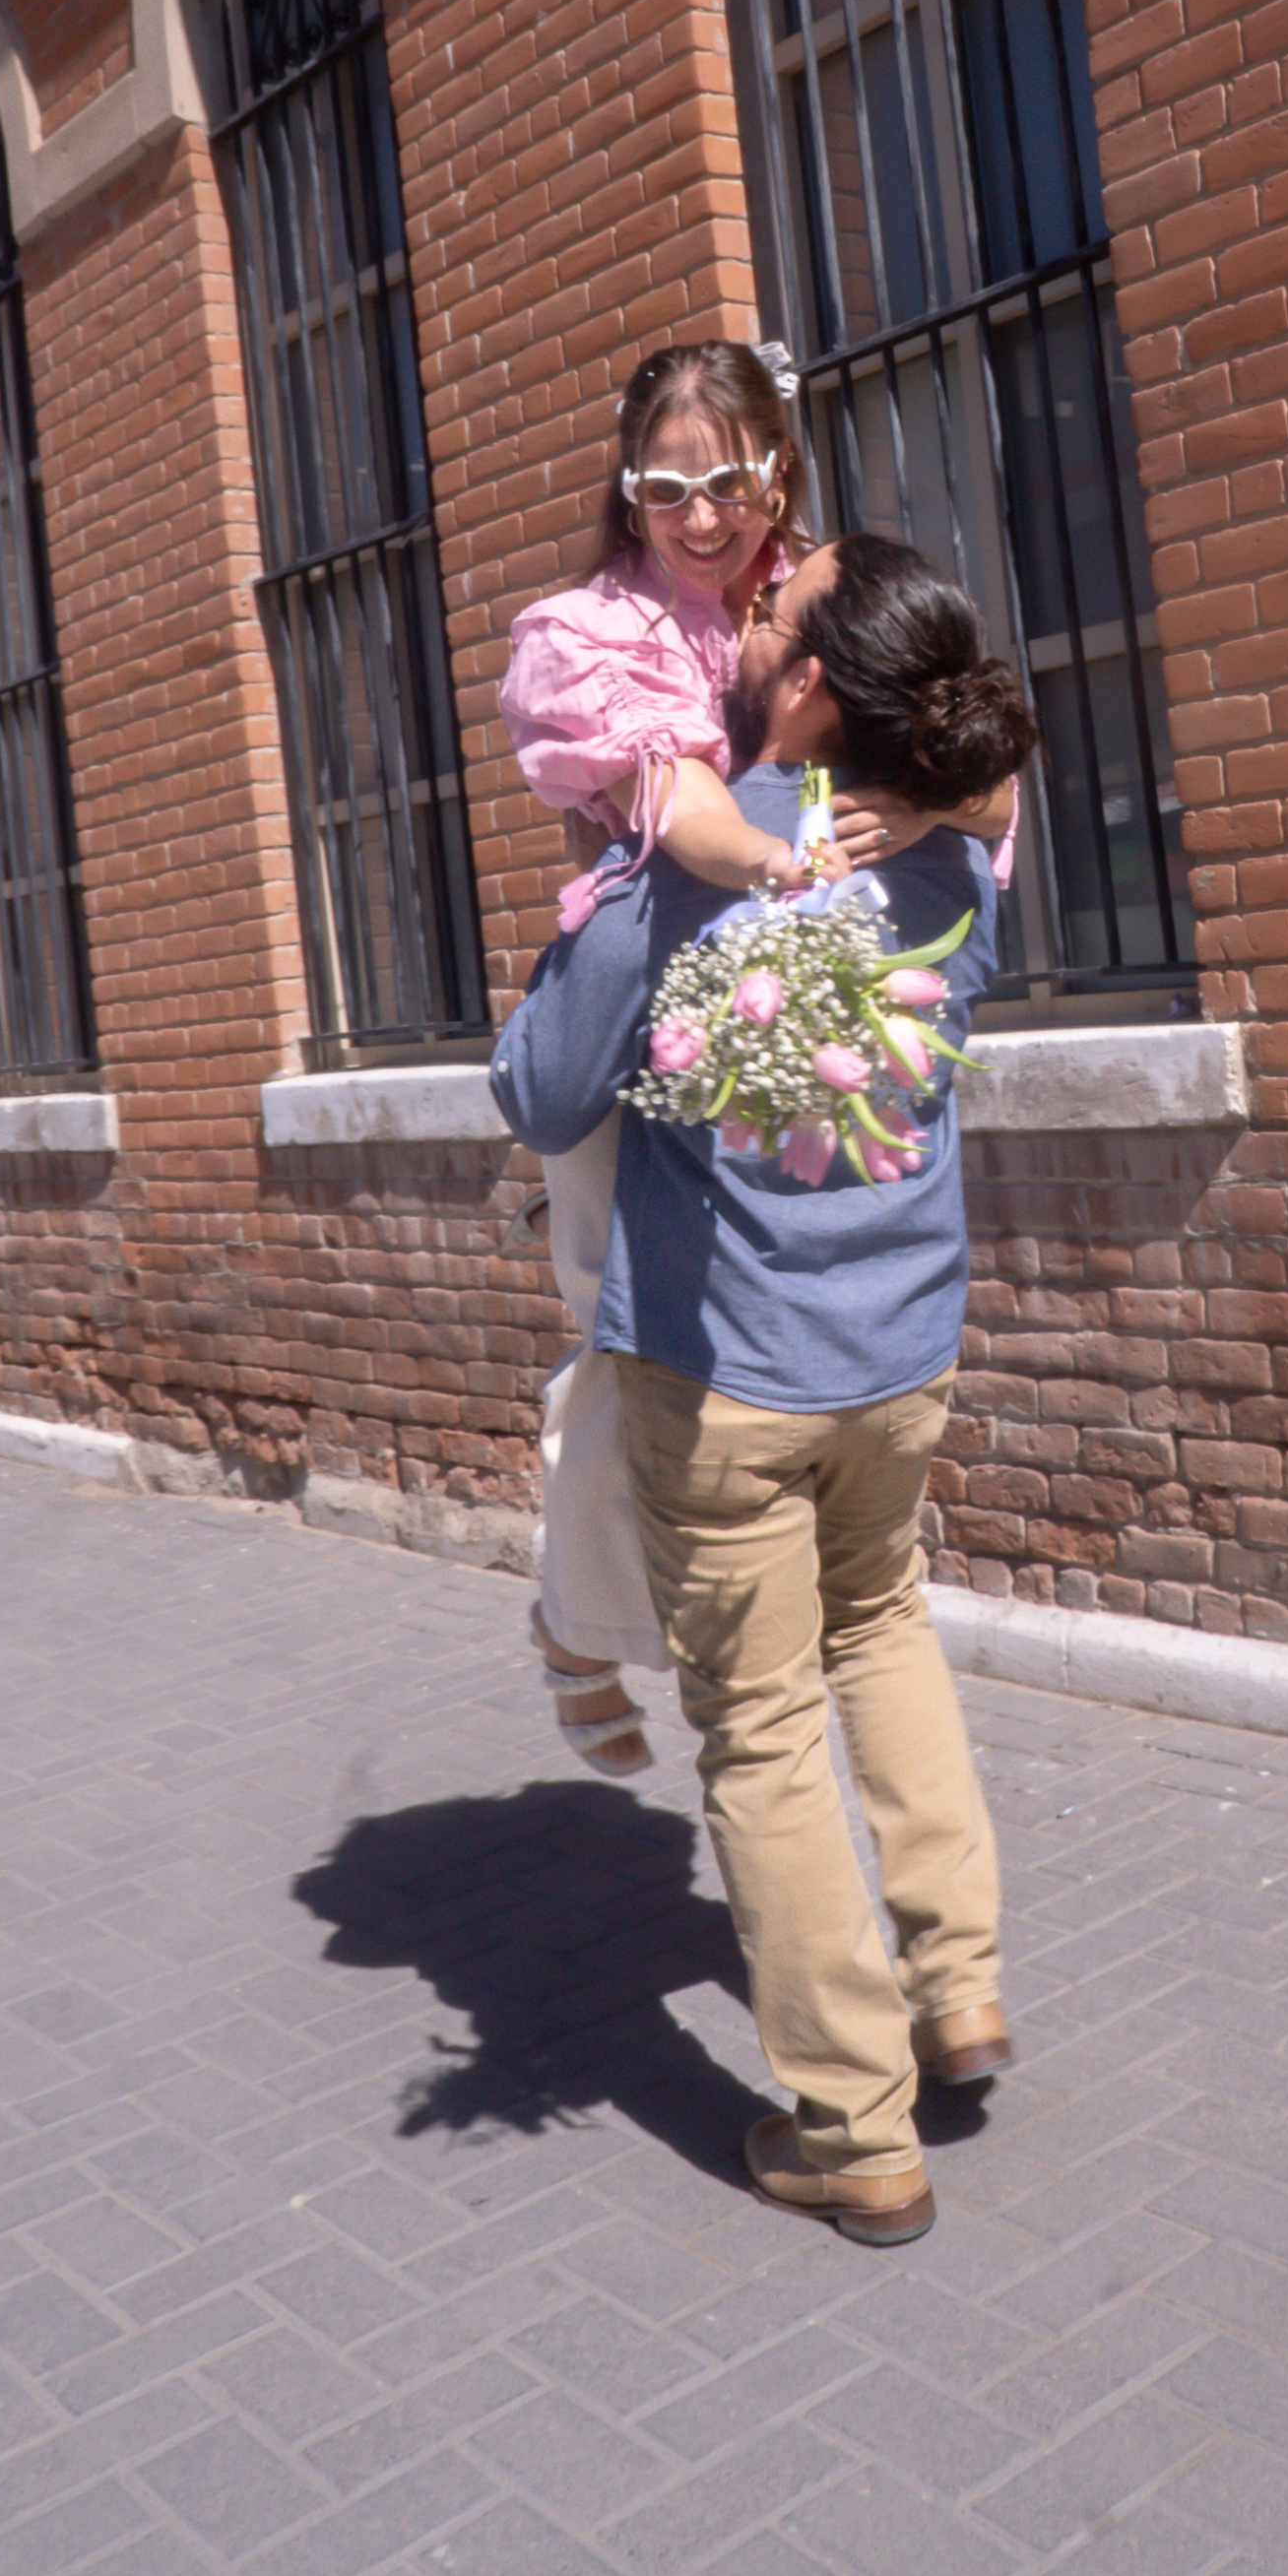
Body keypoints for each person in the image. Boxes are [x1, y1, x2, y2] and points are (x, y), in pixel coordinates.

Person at [490, 532, 1038, 2245]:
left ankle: (853, 2122)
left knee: (763, 1722)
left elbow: (538, 1088)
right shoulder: (955, 853)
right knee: (881, 1626)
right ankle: (960, 1992)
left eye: (771, 615)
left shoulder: (696, 860)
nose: (736, 621)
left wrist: (611, 896)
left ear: (804, 686)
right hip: (903, 1351)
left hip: (725, 1370)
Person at [499, 347, 1011, 1775]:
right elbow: (682, 814)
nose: (703, 517)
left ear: (777, 469)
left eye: (729, 481)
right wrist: (794, 858)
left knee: (719, 1378)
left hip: (781, 999)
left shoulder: (817, 594)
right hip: (641, 992)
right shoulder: (594, 630)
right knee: (620, 1335)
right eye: (666, 488)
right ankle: (574, 1617)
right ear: (627, 488)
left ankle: (611, 1619)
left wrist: (927, 808)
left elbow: (983, 758)